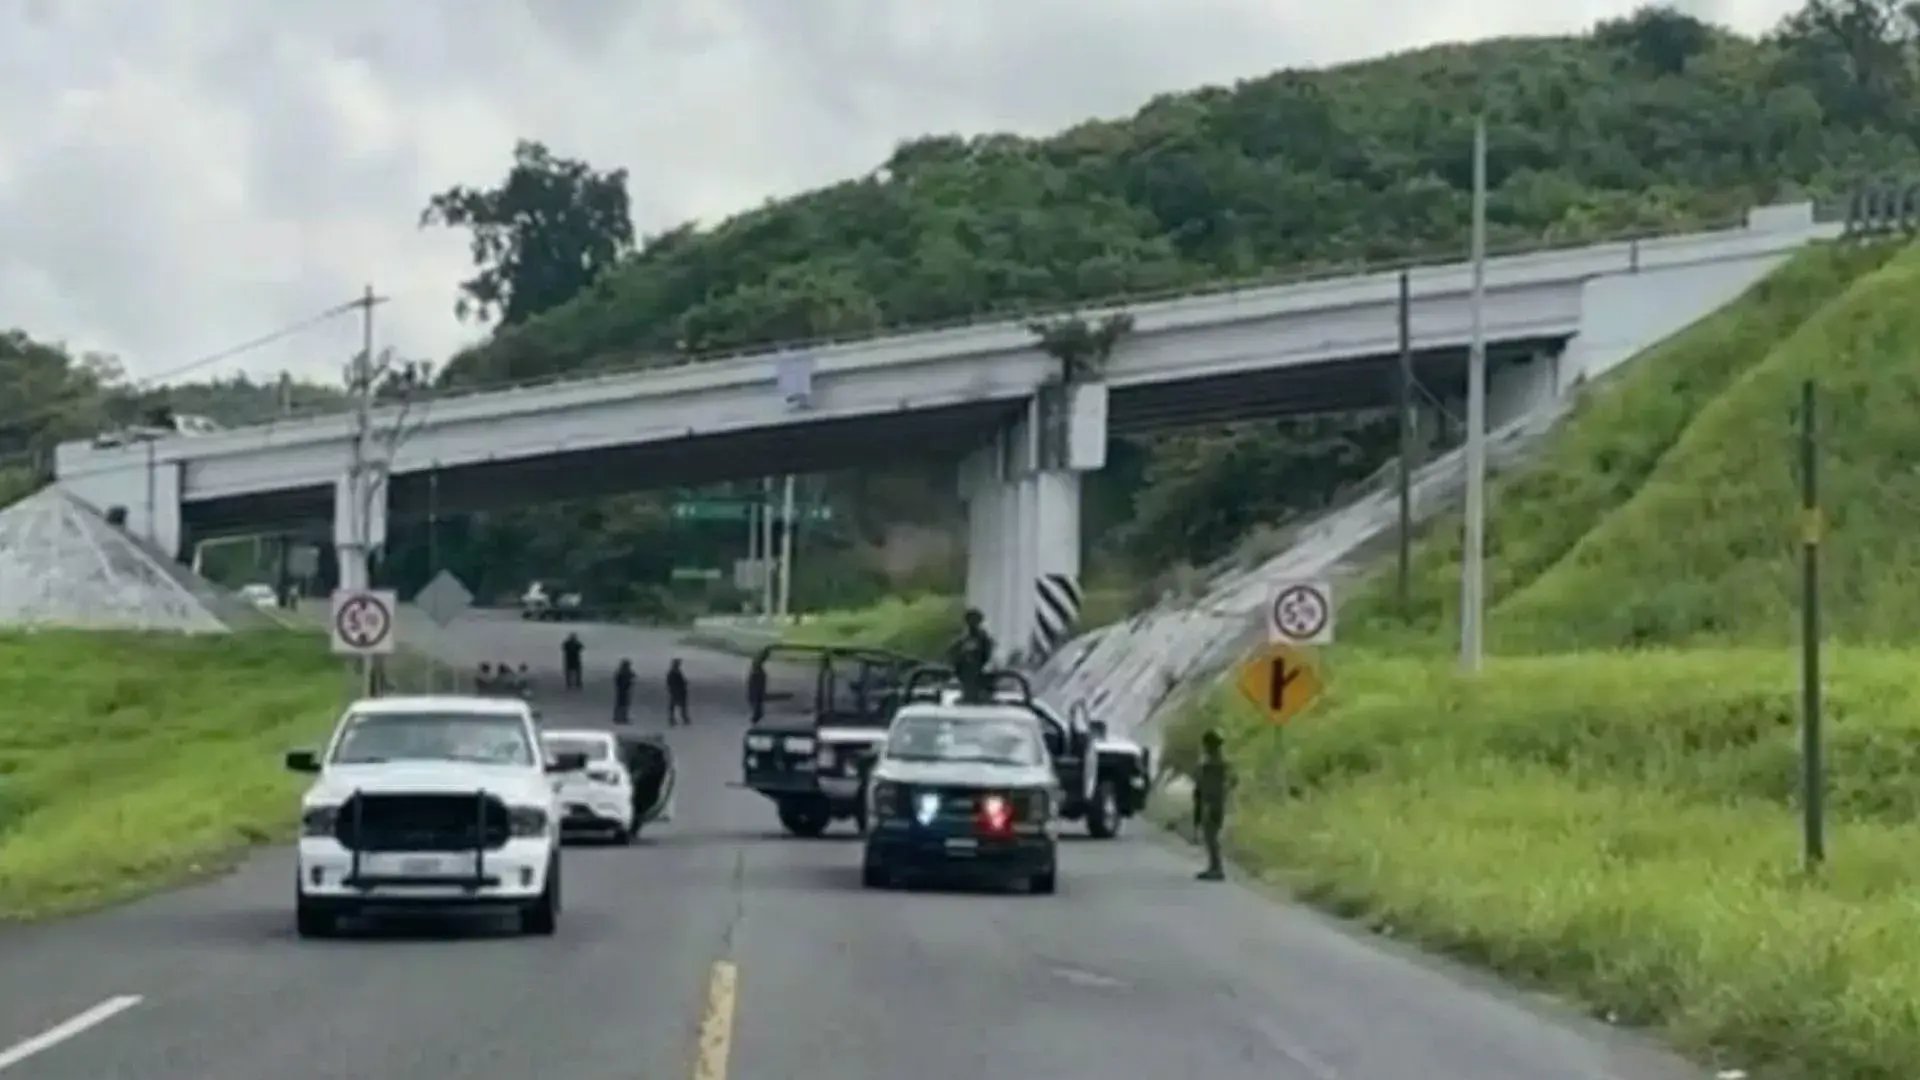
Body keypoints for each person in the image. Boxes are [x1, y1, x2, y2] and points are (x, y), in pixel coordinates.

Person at [1192, 729, 1236, 881]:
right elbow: (1232, 780)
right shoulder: (1220, 762)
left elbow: (1206, 786)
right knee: (1211, 836)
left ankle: (1216, 868)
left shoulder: (1211, 764)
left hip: (1212, 803)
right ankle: (1213, 867)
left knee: (1211, 836)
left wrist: (1207, 802)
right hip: (1215, 802)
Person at [946, 608, 995, 703]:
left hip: (977, 672)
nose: (972, 623)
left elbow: (987, 655)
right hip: (965, 671)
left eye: (975, 620)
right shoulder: (963, 639)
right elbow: (952, 652)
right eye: (970, 620)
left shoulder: (983, 638)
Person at [666, 658, 691, 726]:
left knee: (676, 705)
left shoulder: (674, 672)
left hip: (677, 691)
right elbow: (672, 682)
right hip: (678, 691)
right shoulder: (673, 672)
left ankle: (675, 718)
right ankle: (681, 718)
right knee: (680, 705)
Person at [612, 659, 636, 725]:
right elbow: (632, 677)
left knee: (620, 704)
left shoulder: (620, 672)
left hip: (621, 691)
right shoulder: (626, 672)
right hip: (624, 690)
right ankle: (621, 717)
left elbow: (617, 681)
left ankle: (618, 717)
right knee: (624, 704)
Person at [746, 655, 768, 724]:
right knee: (756, 699)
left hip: (756, 683)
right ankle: (757, 715)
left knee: (755, 699)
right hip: (757, 683)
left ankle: (757, 715)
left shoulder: (757, 671)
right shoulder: (757, 671)